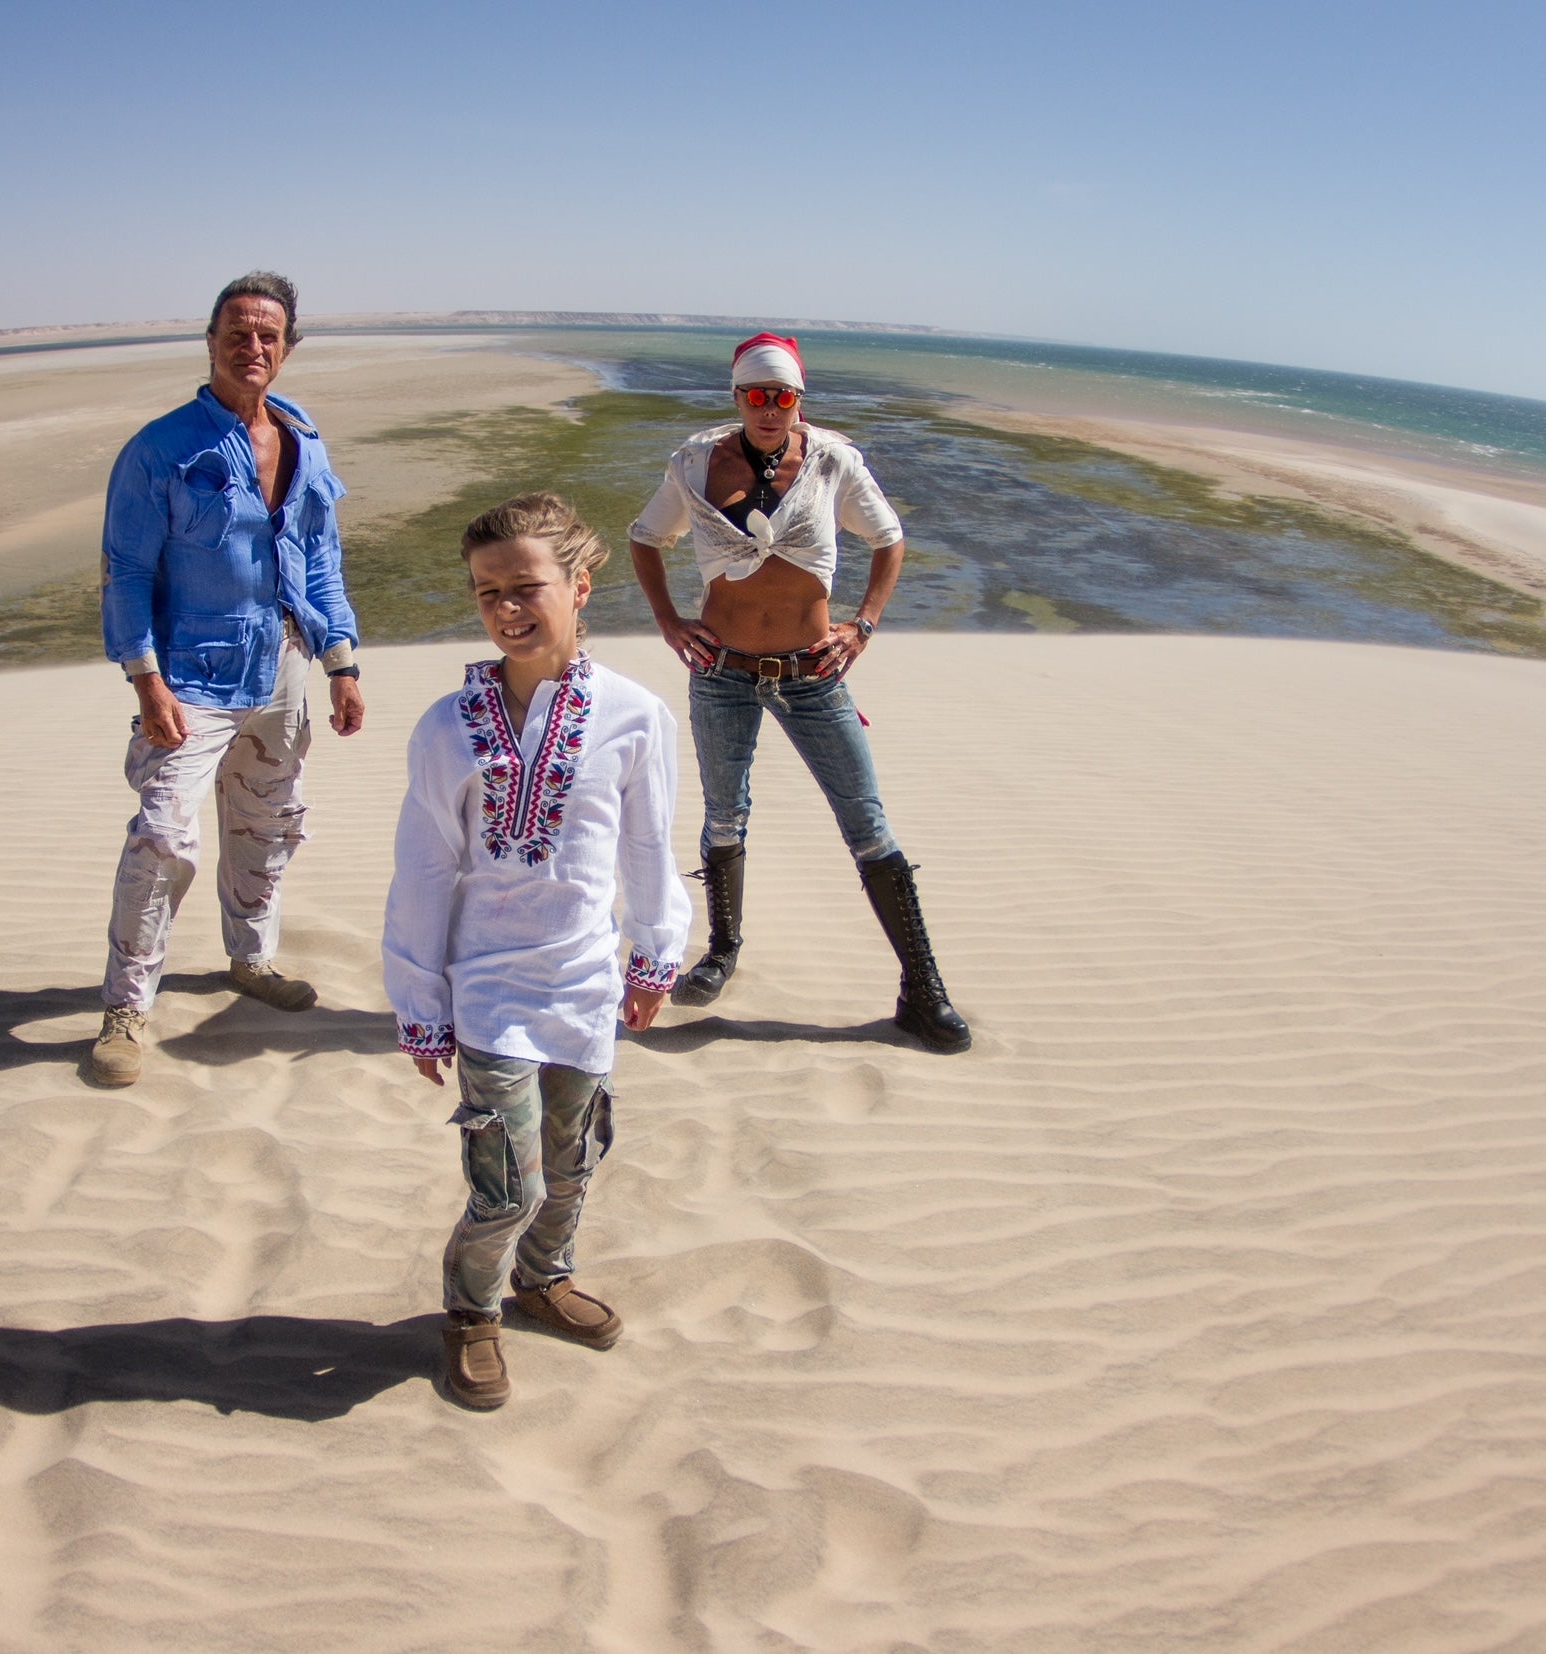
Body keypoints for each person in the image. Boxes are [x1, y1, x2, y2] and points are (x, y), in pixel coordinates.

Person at [383, 494, 690, 1410]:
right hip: (486, 990)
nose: (508, 609)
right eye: (487, 594)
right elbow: (426, 870)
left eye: (526, 588)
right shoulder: (447, 727)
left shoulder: (635, 716)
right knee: (502, 1182)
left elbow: (650, 848)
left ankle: (543, 1278)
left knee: (574, 1161)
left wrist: (654, 956)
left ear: (580, 587)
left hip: (587, 983)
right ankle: (471, 1313)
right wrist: (419, 1003)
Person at [628, 332, 969, 1052]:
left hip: (813, 677)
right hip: (721, 673)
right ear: (736, 398)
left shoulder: (833, 462)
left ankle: (922, 988)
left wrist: (863, 626)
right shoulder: (694, 462)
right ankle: (722, 950)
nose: (769, 409)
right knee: (725, 814)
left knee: (869, 825)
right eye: (755, 395)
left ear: (799, 400)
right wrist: (667, 620)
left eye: (782, 396)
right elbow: (644, 537)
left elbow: (890, 537)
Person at [84, 272, 367, 1089]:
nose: (253, 348)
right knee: (163, 836)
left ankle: (251, 960)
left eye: (268, 336)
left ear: (287, 348)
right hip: (189, 679)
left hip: (283, 670)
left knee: (268, 827)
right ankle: (126, 1007)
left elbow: (320, 562)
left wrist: (341, 663)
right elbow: (126, 572)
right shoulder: (161, 448)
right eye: (237, 333)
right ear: (209, 341)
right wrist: (146, 683)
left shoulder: (304, 442)